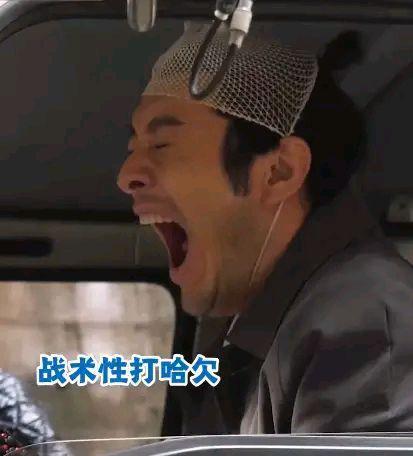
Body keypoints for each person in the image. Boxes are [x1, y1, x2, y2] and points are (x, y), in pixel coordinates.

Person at [117, 24, 413, 434]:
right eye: (133, 148)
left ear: (279, 171)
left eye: (162, 144)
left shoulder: (367, 324)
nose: (126, 177)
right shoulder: (260, 326)